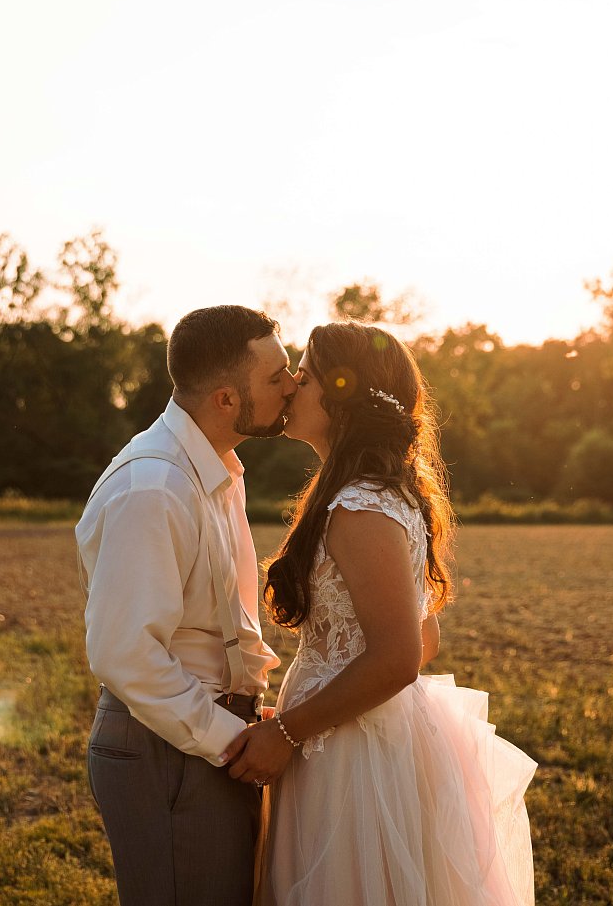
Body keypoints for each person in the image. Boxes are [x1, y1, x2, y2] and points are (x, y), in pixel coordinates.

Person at [221, 321, 536, 906]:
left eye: (305, 377)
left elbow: (400, 657)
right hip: (341, 730)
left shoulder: (361, 506)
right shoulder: (363, 492)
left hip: (349, 755)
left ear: (343, 396)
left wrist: (291, 728)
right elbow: (425, 635)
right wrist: (314, 692)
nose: (290, 386)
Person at [76, 305, 297, 906]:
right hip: (167, 748)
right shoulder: (156, 486)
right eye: (276, 376)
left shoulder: (214, 470)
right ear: (227, 398)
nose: (292, 384)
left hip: (201, 736)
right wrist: (229, 736)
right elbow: (126, 654)